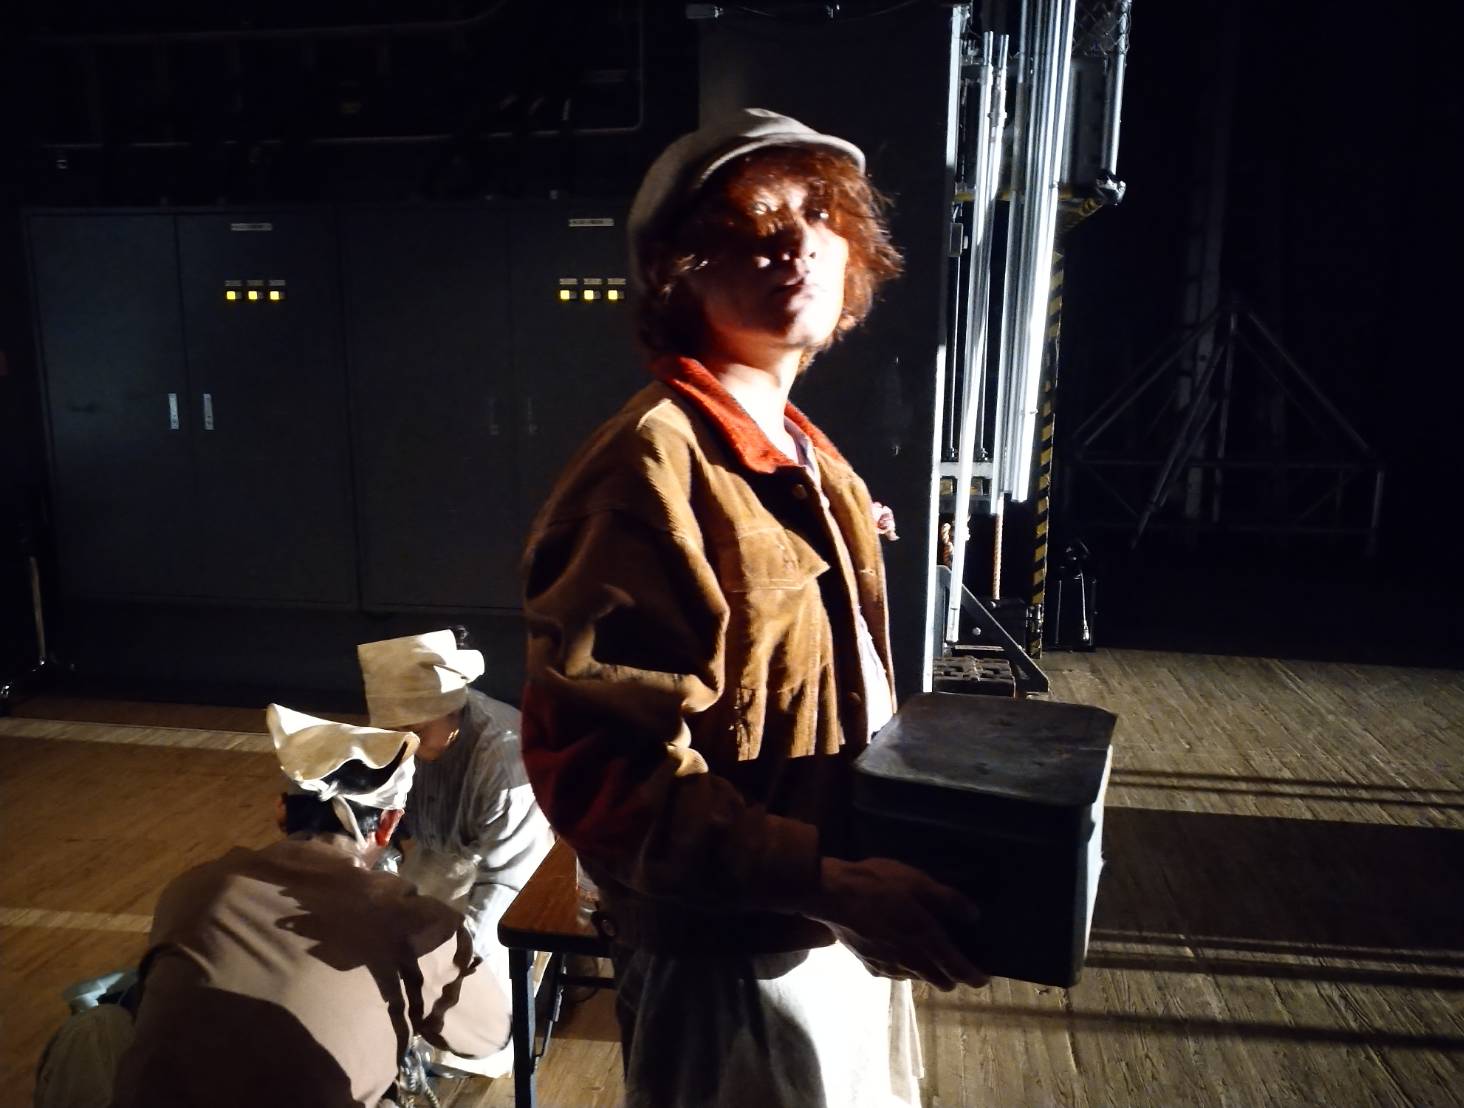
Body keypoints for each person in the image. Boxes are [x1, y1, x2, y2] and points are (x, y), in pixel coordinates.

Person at [520, 108, 988, 1107]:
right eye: (749, 227)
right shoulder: (649, 465)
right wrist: (821, 879)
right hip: (730, 957)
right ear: (674, 275)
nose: (795, 244)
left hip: (829, 924)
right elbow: (600, 770)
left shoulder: (804, 451)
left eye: (818, 215)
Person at [107, 705, 509, 1108]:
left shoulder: (192, 888)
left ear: (281, 811)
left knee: (100, 1028)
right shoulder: (410, 918)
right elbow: (489, 1035)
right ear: (388, 825)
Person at [357, 629, 554, 1076]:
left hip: (503, 869)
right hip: (431, 859)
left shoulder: (504, 757)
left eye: (416, 731)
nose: (404, 743)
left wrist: (456, 957)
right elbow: (381, 821)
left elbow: (506, 879)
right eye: (392, 732)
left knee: (467, 986)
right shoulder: (400, 739)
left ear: (452, 710)